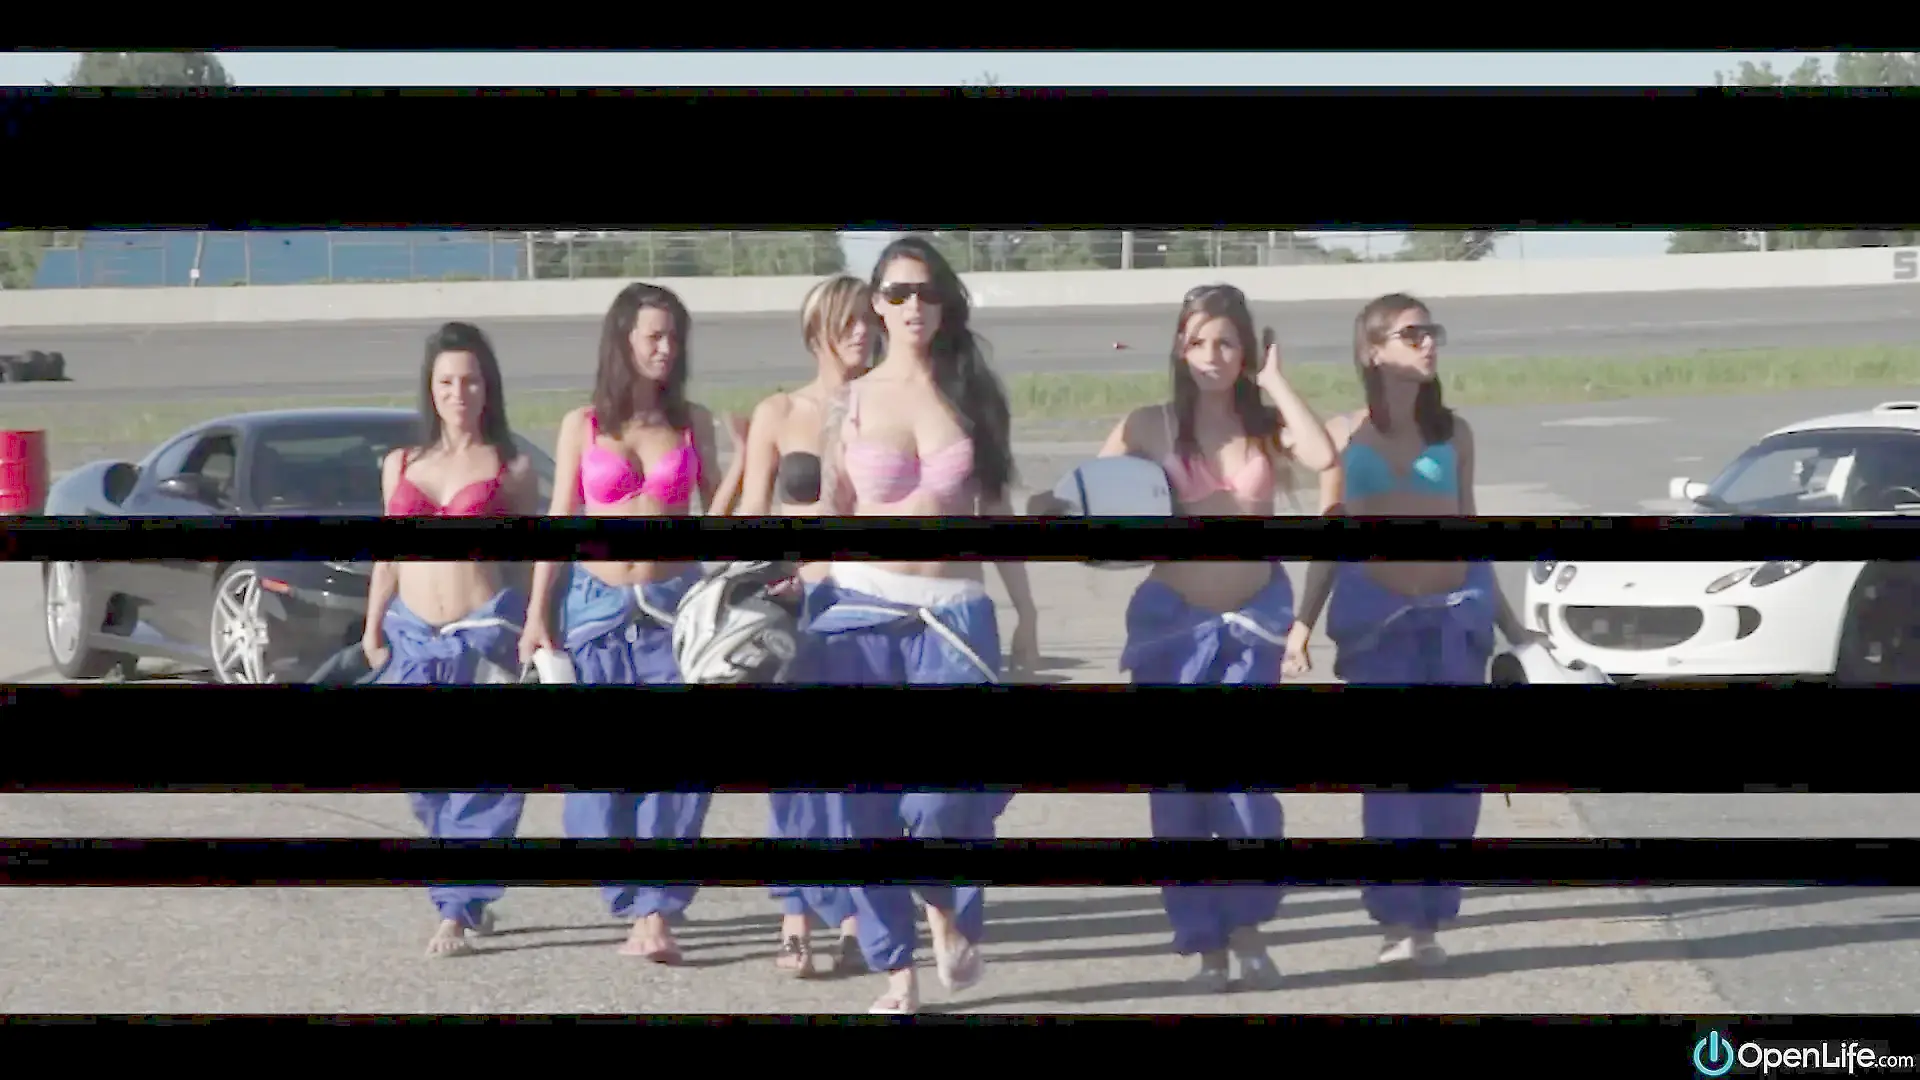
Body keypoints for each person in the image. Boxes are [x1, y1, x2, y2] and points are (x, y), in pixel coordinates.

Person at [800, 235, 1037, 1014]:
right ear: (876, 303)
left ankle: (944, 906)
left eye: (926, 292)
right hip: (859, 611)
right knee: (863, 805)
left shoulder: (974, 395)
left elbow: (995, 509)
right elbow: (831, 505)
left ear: (945, 305)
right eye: (898, 293)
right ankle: (895, 969)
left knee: (945, 797)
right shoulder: (851, 400)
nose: (912, 306)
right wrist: (800, 583)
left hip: (954, 616)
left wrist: (1027, 612)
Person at [1282, 292, 1548, 969]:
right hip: (1381, 626)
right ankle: (1399, 921)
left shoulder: (1455, 434)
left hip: (1455, 619)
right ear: (1373, 350)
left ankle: (1431, 916)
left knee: (1454, 793)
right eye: (1412, 333)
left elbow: (1472, 530)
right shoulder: (1343, 435)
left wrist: (1515, 628)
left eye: (1433, 332)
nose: (1428, 343)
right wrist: (1302, 624)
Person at [1088, 282, 1337, 991]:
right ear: (1179, 346)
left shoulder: (1264, 425)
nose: (1212, 355)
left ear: (1246, 350)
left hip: (1249, 629)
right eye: (1197, 340)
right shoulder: (1148, 424)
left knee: (1247, 792)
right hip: (1172, 629)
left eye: (1227, 342)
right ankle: (1206, 947)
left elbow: (1322, 456)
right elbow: (1087, 497)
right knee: (1179, 798)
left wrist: (1276, 381)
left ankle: (1249, 928)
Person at [517, 282, 721, 965]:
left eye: (675, 337)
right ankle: (631, 897)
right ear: (623, 341)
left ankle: (656, 911)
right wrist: (536, 613)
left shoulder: (692, 421)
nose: (667, 348)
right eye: (654, 336)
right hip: (596, 615)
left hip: (672, 613)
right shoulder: (582, 424)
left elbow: (721, 512)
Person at [707, 273, 875, 978]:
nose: (862, 332)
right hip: (793, 607)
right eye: (847, 321)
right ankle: (795, 914)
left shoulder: (887, 404)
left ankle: (857, 913)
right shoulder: (780, 411)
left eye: (869, 320)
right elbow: (752, 515)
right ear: (816, 333)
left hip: (865, 605)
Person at [360, 320, 542, 959]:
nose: (458, 393)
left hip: (481, 635)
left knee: (481, 781)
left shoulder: (511, 467)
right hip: (411, 638)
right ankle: (466, 886)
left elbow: (531, 560)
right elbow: (387, 554)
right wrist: (372, 625)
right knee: (426, 785)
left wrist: (537, 627)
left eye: (470, 381)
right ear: (430, 388)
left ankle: (457, 909)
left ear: (488, 388)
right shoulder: (402, 464)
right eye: (446, 382)